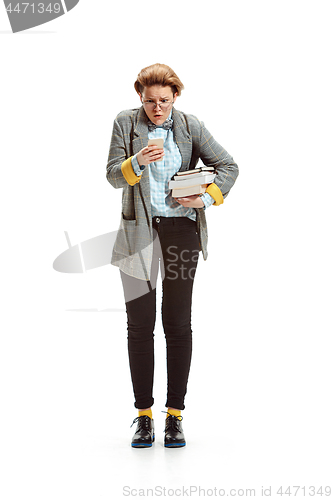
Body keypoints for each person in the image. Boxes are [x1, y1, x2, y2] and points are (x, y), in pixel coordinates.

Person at [106, 63, 239, 448]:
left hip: (182, 232)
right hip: (137, 235)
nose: (157, 108)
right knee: (139, 325)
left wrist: (206, 198)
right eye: (150, 101)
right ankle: (144, 416)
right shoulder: (125, 123)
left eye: (164, 101)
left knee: (177, 324)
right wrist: (136, 162)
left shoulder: (190, 125)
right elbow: (113, 175)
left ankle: (175, 417)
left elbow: (229, 166)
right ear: (139, 97)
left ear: (176, 97)